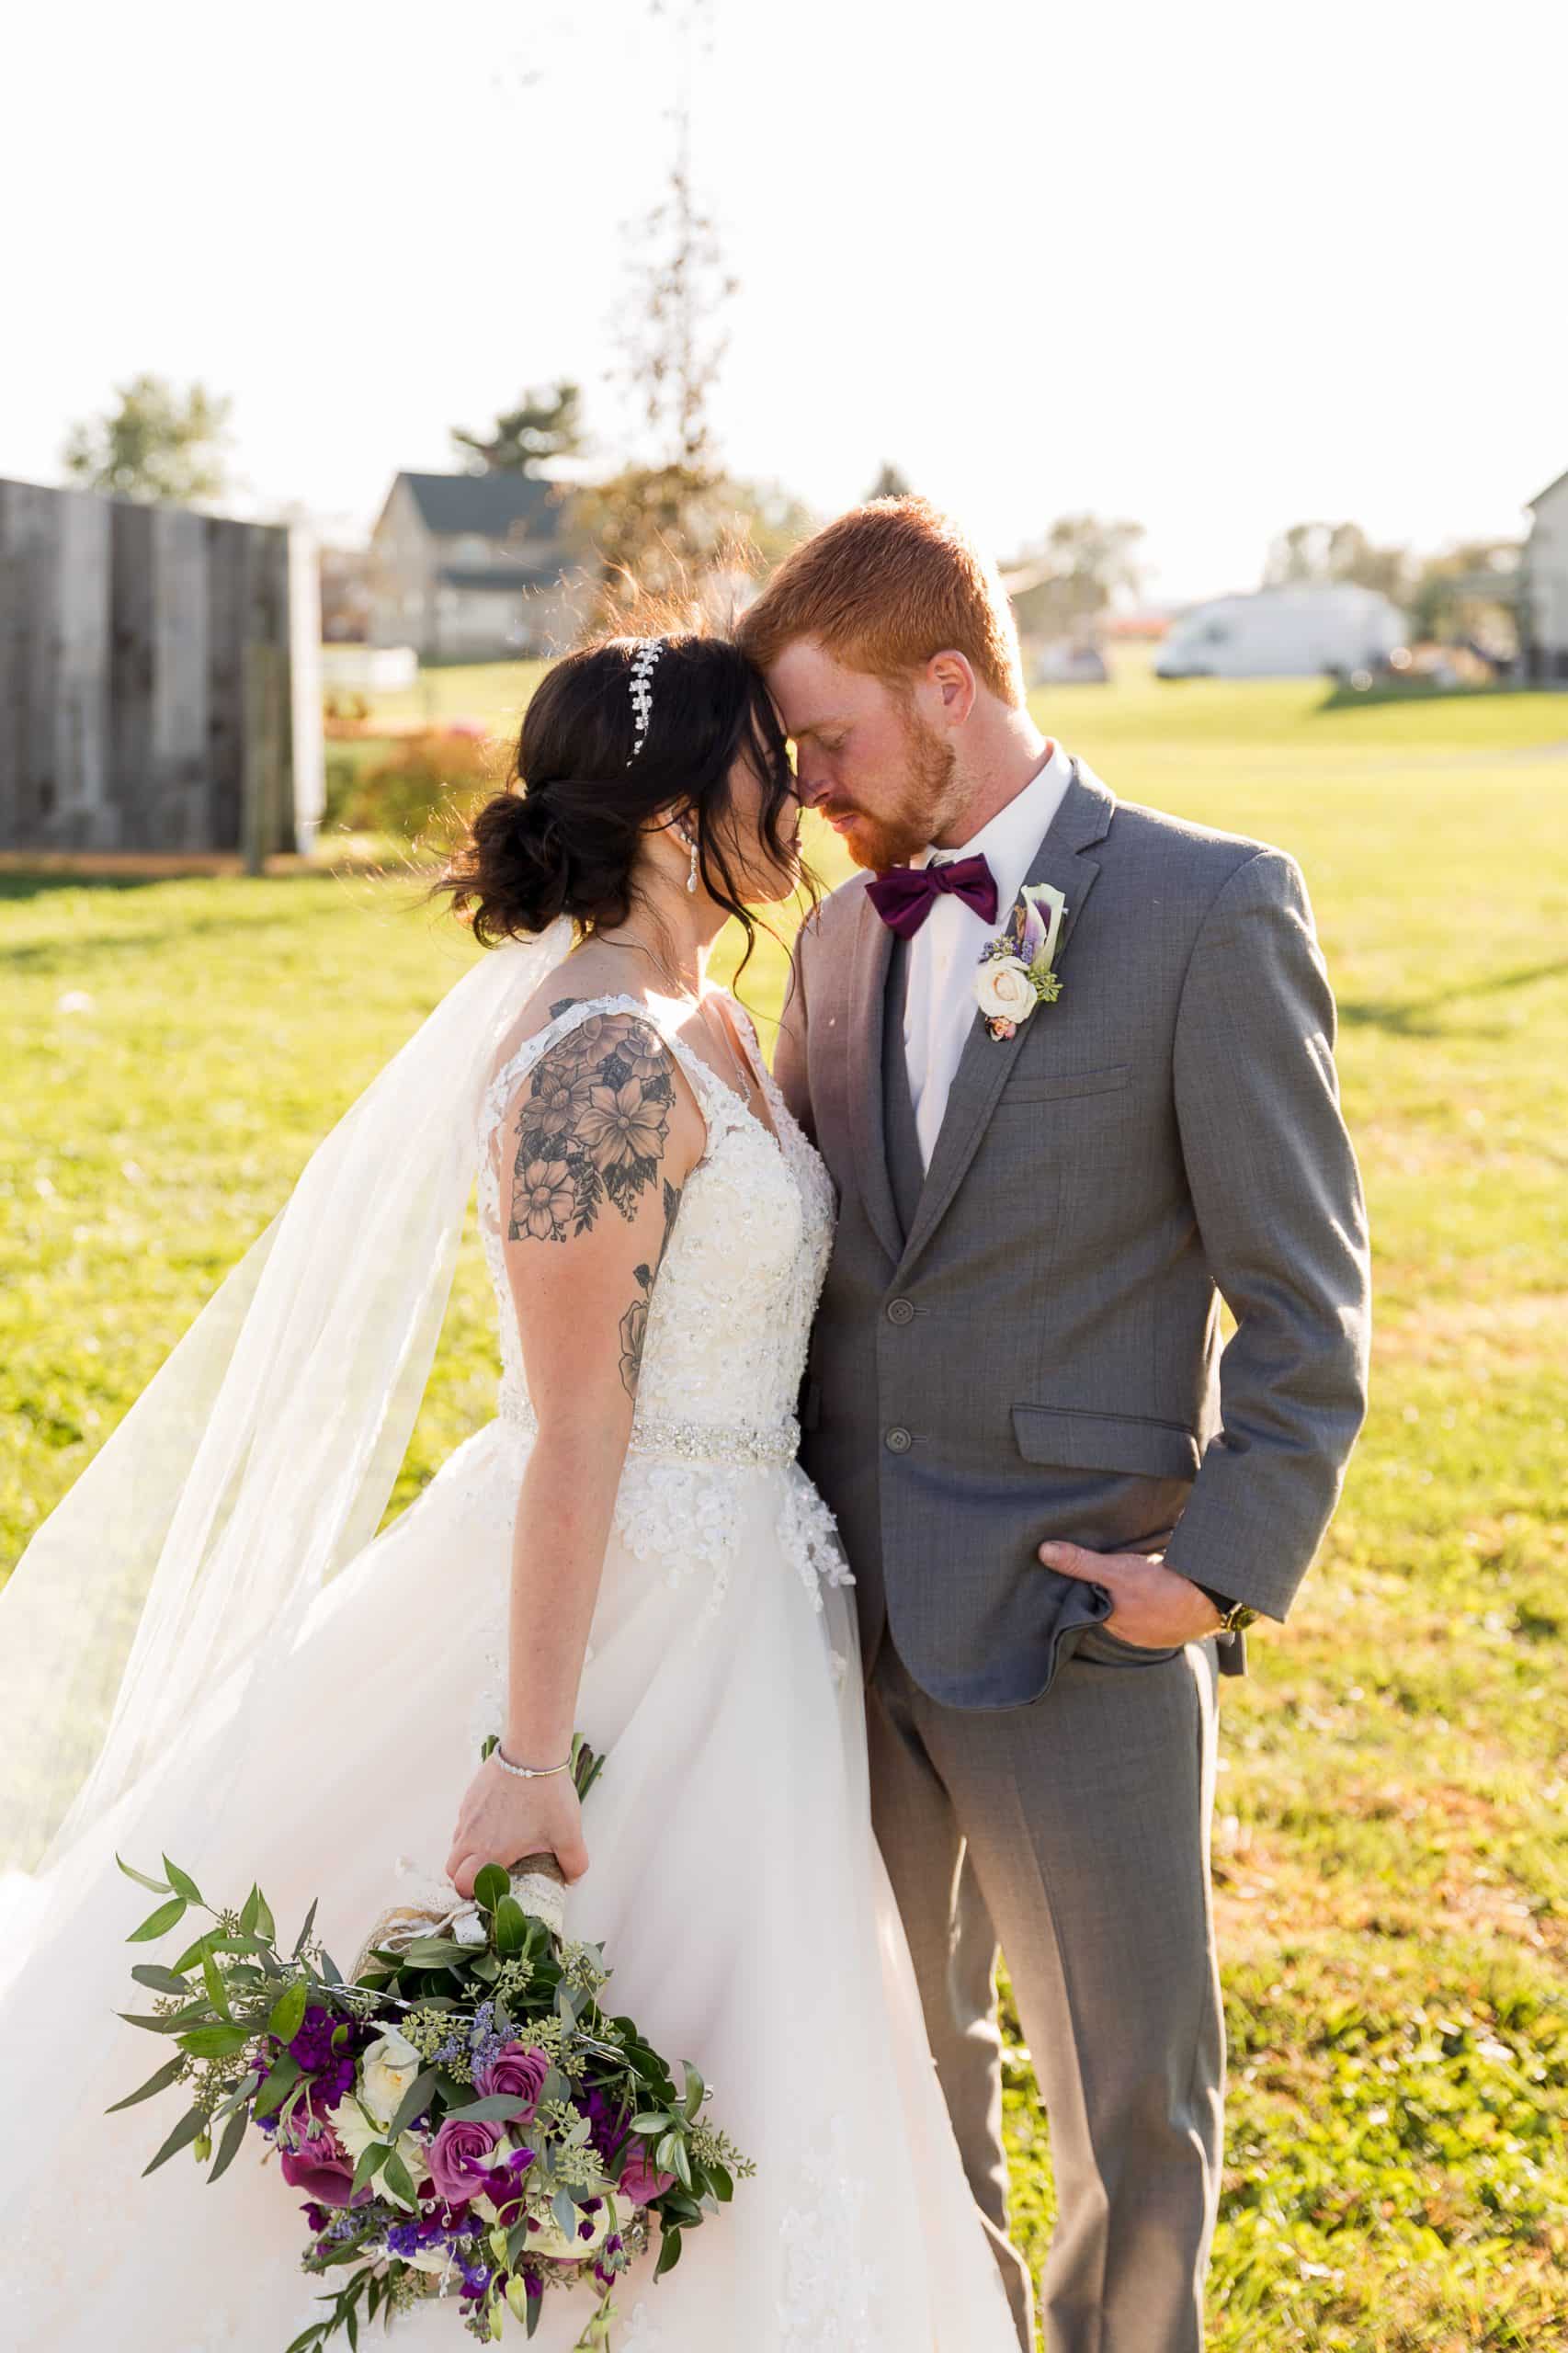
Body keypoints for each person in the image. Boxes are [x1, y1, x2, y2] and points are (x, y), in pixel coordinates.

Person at [0, 628, 1019, 2352]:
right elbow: (572, 1432)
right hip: (618, 1614)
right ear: (687, 806)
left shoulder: (703, 1009)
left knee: (745, 2040)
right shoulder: (601, 1061)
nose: (802, 787)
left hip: (749, 1609)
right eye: (773, 759)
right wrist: (530, 1755)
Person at [740, 498, 1373, 2353]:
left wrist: (1219, 1570)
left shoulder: (1206, 903)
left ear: (951, 686)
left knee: (1130, 2105)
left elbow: (1304, 1298)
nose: (810, 794)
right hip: (836, 1620)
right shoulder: (839, 939)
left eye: (830, 743)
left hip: (1074, 1621)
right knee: (893, 2074)